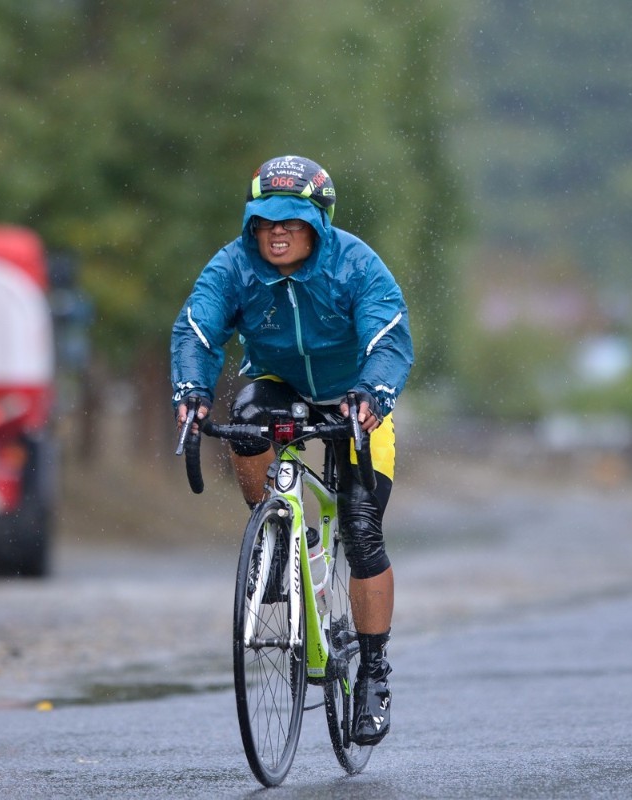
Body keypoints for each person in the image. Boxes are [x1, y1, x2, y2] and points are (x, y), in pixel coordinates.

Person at [171, 155, 412, 745]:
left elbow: (388, 334)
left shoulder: (355, 263)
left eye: (291, 222)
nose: (275, 233)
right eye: (263, 221)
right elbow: (197, 329)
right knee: (247, 415)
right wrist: (192, 390)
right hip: (283, 389)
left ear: (319, 223)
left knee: (361, 532)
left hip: (355, 396)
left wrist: (374, 393)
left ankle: (375, 672)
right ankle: (276, 530)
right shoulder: (233, 266)